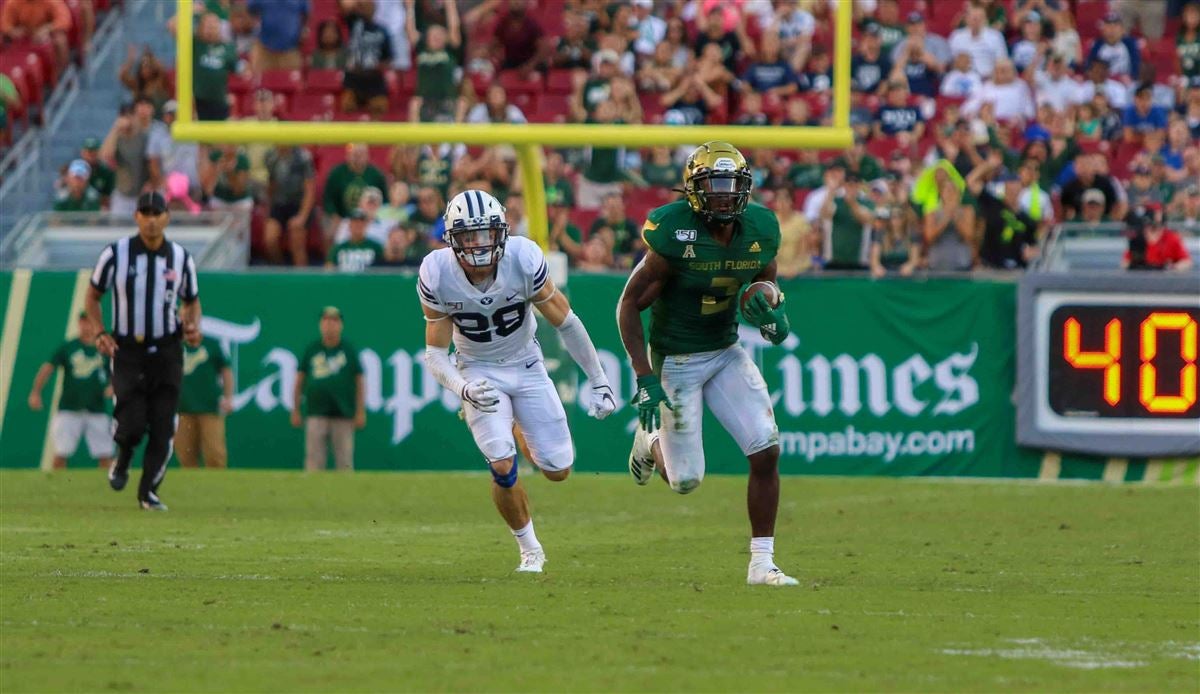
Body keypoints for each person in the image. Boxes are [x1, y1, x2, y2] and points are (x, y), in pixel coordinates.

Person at [617, 141, 799, 587]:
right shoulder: (672, 233)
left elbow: (765, 280)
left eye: (729, 186)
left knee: (766, 448)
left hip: (725, 350)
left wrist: (773, 310)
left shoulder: (759, 228)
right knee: (685, 481)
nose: (722, 196)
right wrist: (644, 376)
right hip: (677, 358)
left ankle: (762, 562)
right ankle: (649, 440)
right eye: (713, 186)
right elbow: (628, 305)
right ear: (694, 191)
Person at [418, 189, 616, 573]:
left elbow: (567, 322)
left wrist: (599, 379)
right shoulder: (436, 272)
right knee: (501, 463)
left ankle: (514, 423)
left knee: (558, 470)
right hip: (477, 369)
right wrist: (462, 388)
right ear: (451, 238)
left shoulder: (523, 258)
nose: (478, 245)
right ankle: (530, 549)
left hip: (526, 363)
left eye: (485, 233)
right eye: (469, 236)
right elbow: (435, 354)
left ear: (502, 231)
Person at [86, 191, 202, 511]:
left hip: (166, 350)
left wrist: (192, 326)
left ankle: (147, 492)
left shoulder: (180, 258)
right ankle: (122, 458)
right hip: (128, 350)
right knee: (133, 424)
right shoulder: (116, 254)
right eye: (145, 213)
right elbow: (92, 296)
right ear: (136, 216)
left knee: (165, 427)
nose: (151, 220)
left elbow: (191, 300)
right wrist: (99, 332)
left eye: (157, 213)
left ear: (167, 217)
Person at [27, 312, 114, 470]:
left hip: (96, 409)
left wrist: (113, 387)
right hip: (69, 408)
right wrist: (35, 392)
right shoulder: (69, 347)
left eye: (90, 322)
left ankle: (108, 490)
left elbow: (118, 373)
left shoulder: (104, 349)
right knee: (61, 453)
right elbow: (47, 368)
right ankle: (55, 490)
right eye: (83, 322)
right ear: (79, 323)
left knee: (105, 454)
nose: (86, 326)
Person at [291, 306, 364, 471]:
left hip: (343, 414)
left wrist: (360, 411)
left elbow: (359, 381)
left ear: (341, 325)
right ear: (320, 324)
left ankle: (345, 494)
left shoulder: (348, 350)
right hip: (316, 413)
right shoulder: (312, 349)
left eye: (334, 321)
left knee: (344, 462)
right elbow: (299, 381)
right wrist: (295, 409)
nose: (330, 325)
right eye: (326, 321)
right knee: (314, 462)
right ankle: (312, 494)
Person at [177, 333, 232, 468]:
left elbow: (226, 370)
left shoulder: (211, 344)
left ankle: (217, 487)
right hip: (181, 407)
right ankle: (191, 487)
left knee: (215, 454)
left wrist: (228, 397)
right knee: (185, 454)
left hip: (210, 407)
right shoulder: (172, 345)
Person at [263, 144, 316, 266]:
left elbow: (309, 189)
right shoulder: (270, 156)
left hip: (299, 204)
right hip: (280, 204)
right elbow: (272, 184)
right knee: (269, 239)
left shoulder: (303, 157)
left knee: (297, 241)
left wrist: (302, 216)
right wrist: (269, 209)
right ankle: (279, 272)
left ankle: (302, 280)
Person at [1122, 204, 1194, 271]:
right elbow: (1125, 262)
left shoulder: (1171, 237)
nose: (1157, 217)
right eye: (1154, 214)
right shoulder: (1138, 238)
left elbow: (1186, 262)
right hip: (1142, 278)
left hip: (1164, 279)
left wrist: (1173, 268)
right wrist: (1138, 268)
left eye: (1159, 213)